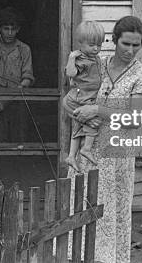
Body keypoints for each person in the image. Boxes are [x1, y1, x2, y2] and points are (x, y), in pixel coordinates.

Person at [70, 16, 142, 263]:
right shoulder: (97, 64)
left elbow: (135, 118)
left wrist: (98, 111)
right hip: (86, 150)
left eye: (135, 45)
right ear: (114, 40)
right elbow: (76, 92)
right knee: (79, 210)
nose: (130, 50)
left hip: (116, 157)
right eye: (125, 44)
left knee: (109, 215)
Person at [0, 7, 34, 142]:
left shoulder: (24, 50)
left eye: (13, 29)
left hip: (18, 102)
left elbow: (27, 79)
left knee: (19, 141)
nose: (10, 33)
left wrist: (1, 104)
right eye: (6, 28)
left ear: (18, 29)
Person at [63, 21, 105, 172]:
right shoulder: (80, 58)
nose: (96, 48)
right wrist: (71, 58)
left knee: (78, 126)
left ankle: (71, 156)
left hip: (88, 96)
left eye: (99, 45)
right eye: (92, 45)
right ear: (80, 43)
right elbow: (70, 73)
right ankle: (86, 148)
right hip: (81, 97)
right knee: (92, 123)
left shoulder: (96, 58)